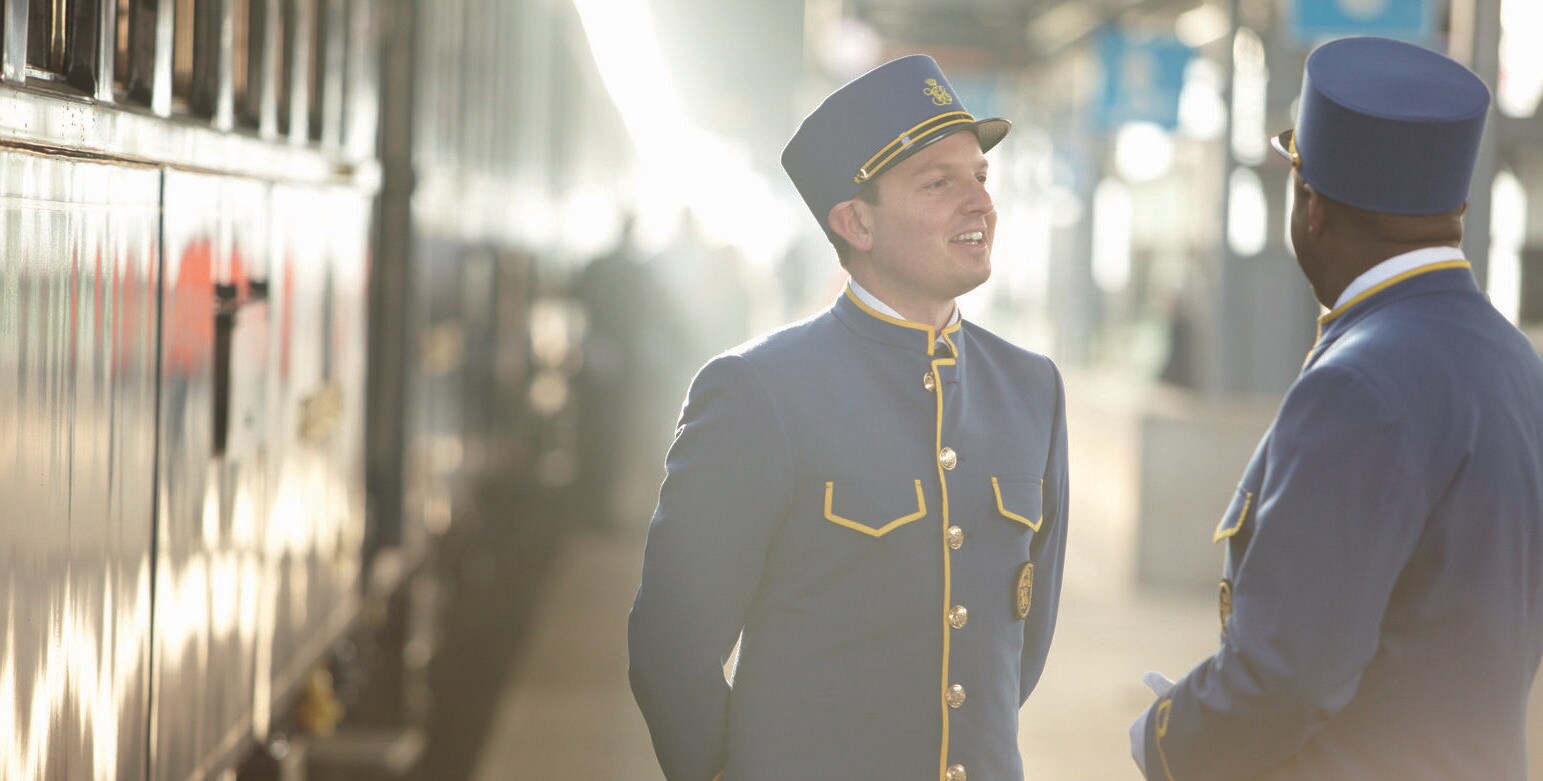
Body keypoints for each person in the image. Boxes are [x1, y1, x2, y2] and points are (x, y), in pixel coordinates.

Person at [629, 54, 1069, 781]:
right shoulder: (757, 392)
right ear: (855, 222)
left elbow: (1020, 645)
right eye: (939, 182)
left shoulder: (1030, 387)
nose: (979, 203)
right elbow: (670, 648)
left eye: (980, 178)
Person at [1130, 36, 1543, 780]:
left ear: (1311, 206)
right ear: (1454, 203)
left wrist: (1165, 739)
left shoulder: (1358, 384)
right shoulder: (1512, 361)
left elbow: (1286, 677)